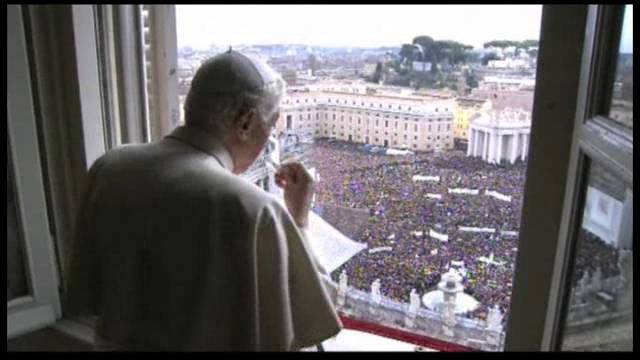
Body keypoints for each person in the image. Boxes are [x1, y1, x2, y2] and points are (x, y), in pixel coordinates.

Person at [65, 49, 342, 351]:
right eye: (271, 124)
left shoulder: (109, 166)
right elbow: (315, 311)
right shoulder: (253, 209)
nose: (269, 139)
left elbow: (88, 292)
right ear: (246, 122)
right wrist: (299, 220)